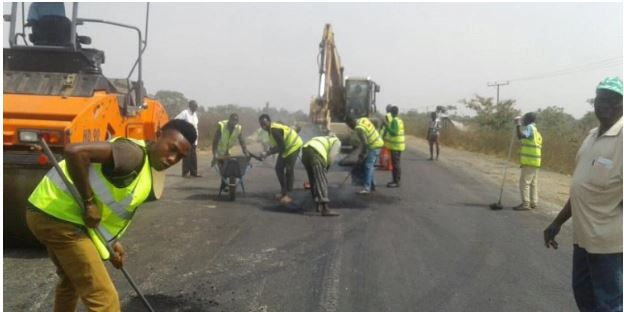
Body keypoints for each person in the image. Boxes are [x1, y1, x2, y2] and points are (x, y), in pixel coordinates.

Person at [26, 119, 196, 312]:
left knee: (71, 281)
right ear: (158, 135)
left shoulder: (145, 169)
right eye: (172, 149)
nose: (173, 159)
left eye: (180, 157)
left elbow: (110, 206)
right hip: (59, 217)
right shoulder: (131, 154)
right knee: (105, 301)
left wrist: (112, 242)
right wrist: (88, 202)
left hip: (51, 213)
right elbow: (75, 151)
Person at [543, 77, 623, 312]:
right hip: (583, 237)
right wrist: (557, 222)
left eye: (611, 100)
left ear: (622, 104)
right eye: (600, 98)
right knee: (584, 295)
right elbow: (582, 187)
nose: (603, 104)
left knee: (608, 303)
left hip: (608, 242)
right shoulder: (591, 136)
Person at [258, 114, 303, 205]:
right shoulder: (270, 130)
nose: (263, 126)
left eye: (265, 124)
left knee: (289, 169)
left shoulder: (274, 130)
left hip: (294, 146)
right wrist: (268, 152)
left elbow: (281, 147)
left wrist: (267, 153)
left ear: (269, 122)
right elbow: (278, 145)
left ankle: (289, 195)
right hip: (286, 148)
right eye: (261, 124)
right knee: (278, 168)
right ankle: (283, 192)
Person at [301, 135, 342, 216]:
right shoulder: (337, 141)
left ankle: (317, 205)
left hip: (305, 152)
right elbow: (331, 157)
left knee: (313, 179)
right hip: (316, 153)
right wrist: (326, 168)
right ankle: (325, 208)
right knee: (321, 179)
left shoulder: (323, 138)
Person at [346, 115, 384, 194]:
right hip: (378, 142)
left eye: (350, 126)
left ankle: (366, 188)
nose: (351, 128)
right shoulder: (363, 119)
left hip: (374, 145)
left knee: (368, 166)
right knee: (370, 166)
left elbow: (365, 144)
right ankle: (372, 185)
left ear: (351, 123)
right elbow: (376, 120)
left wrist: (362, 155)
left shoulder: (359, 128)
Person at [211, 113, 249, 192]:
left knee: (227, 169)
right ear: (229, 120)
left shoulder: (238, 128)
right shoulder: (222, 126)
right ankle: (224, 185)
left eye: (236, 121)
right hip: (220, 151)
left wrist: (246, 153)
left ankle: (225, 185)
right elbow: (215, 141)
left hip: (228, 150)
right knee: (223, 169)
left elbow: (242, 141)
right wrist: (214, 155)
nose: (234, 123)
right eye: (233, 120)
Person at [513, 112, 542, 211]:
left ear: (528, 120)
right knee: (533, 183)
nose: (523, 120)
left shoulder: (529, 128)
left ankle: (525, 204)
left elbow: (521, 136)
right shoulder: (536, 131)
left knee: (524, 182)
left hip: (529, 161)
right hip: (536, 161)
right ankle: (533, 202)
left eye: (524, 119)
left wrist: (517, 125)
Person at [175, 100, 201, 177]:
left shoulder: (195, 114)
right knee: (186, 156)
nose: (196, 107)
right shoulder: (185, 113)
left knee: (193, 156)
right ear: (190, 106)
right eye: (194, 106)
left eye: (196, 106)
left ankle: (194, 172)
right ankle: (185, 173)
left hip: (194, 139)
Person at [384, 106, 405, 187]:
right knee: (396, 163)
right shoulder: (399, 120)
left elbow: (394, 133)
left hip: (395, 146)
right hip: (398, 145)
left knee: (395, 164)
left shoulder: (394, 121)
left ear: (391, 113)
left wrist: (387, 127)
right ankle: (395, 181)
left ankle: (396, 182)